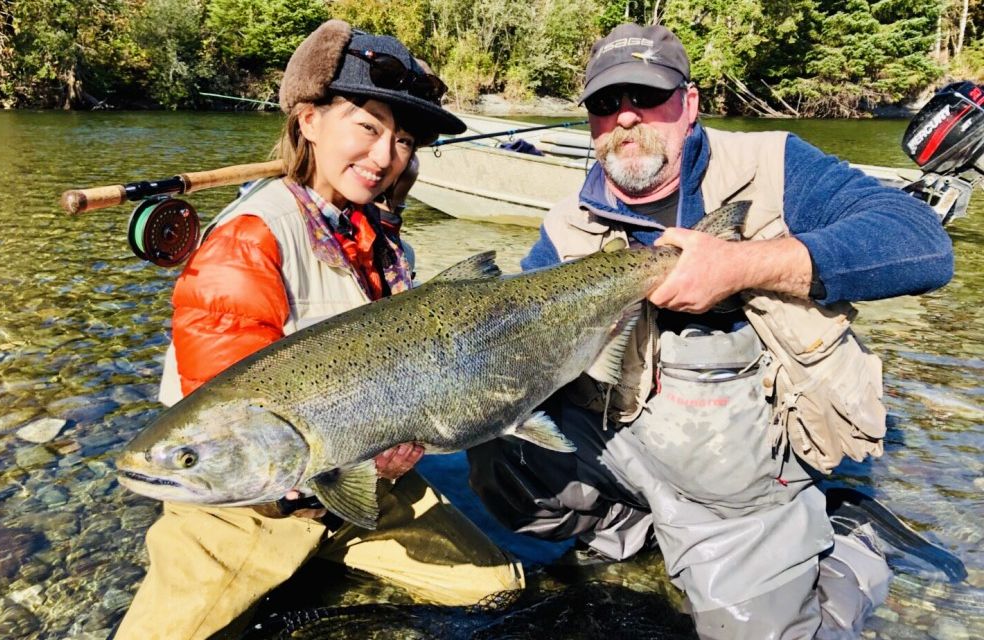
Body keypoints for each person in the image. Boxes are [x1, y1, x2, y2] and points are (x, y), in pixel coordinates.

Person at [467, 22, 954, 640]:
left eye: (647, 96)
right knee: (489, 440)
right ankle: (641, 532)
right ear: (589, 119)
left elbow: (922, 243)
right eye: (605, 103)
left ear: (689, 105)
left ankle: (851, 549)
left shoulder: (773, 166)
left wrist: (744, 265)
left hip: (744, 483)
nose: (625, 117)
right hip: (628, 447)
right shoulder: (566, 228)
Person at [116, 20, 524, 640]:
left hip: (362, 487)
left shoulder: (376, 237)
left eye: (404, 140)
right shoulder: (249, 238)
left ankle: (319, 578)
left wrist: (402, 433)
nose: (385, 157)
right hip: (243, 505)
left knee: (499, 594)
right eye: (367, 127)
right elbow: (233, 409)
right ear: (309, 120)